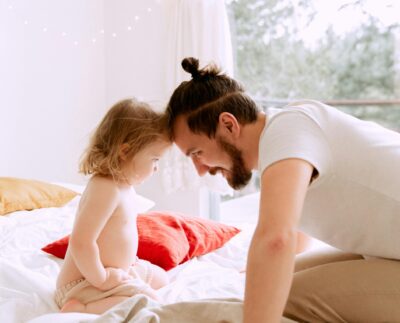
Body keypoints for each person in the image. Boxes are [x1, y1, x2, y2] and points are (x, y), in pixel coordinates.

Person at [165, 57, 400, 322]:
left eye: (197, 153)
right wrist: (256, 274)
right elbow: (293, 238)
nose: (200, 169)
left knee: (280, 296)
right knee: (260, 285)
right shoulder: (285, 140)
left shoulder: (287, 129)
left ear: (229, 125)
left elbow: (277, 239)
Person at [55, 98, 171, 314]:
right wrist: (102, 279)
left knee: (162, 278)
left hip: (117, 270)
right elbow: (82, 242)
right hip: (85, 283)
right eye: (154, 159)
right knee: (150, 301)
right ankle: (82, 308)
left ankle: (118, 284)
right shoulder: (105, 189)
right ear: (125, 151)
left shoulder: (125, 185)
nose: (156, 168)